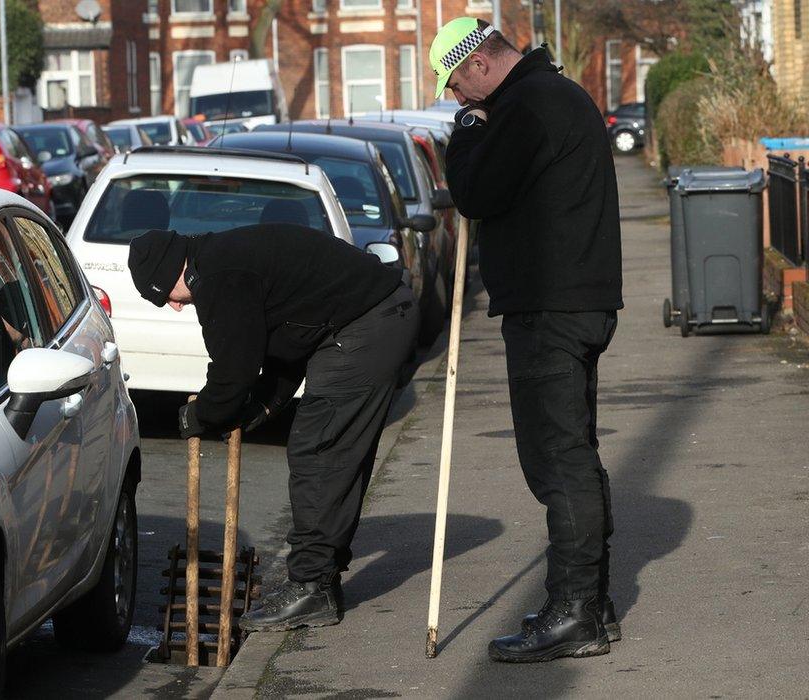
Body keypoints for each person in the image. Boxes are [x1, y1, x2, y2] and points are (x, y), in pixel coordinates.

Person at [430, 17, 624, 662]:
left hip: (551, 305)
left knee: (555, 460)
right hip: (574, 299)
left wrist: (463, 136)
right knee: (571, 452)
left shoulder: (525, 105)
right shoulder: (552, 96)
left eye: (456, 86)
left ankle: (576, 612)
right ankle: (588, 603)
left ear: (481, 64)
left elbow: (475, 194)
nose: (458, 100)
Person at [128, 221, 419, 632]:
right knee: (330, 452)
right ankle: (321, 577)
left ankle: (310, 587)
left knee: (318, 450)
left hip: (368, 325)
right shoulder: (221, 259)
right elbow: (288, 342)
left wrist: (198, 416)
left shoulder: (218, 278)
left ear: (171, 272)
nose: (175, 307)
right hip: (371, 318)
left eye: (164, 298)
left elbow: (233, 373)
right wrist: (263, 407)